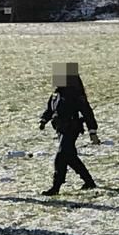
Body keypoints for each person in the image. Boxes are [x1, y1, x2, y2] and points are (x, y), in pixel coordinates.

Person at [38, 63, 100, 195]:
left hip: (72, 128)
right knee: (70, 157)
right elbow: (50, 109)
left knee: (60, 156)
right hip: (60, 129)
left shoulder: (75, 95)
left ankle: (56, 186)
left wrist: (92, 131)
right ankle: (89, 181)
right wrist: (44, 120)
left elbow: (87, 112)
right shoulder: (56, 94)